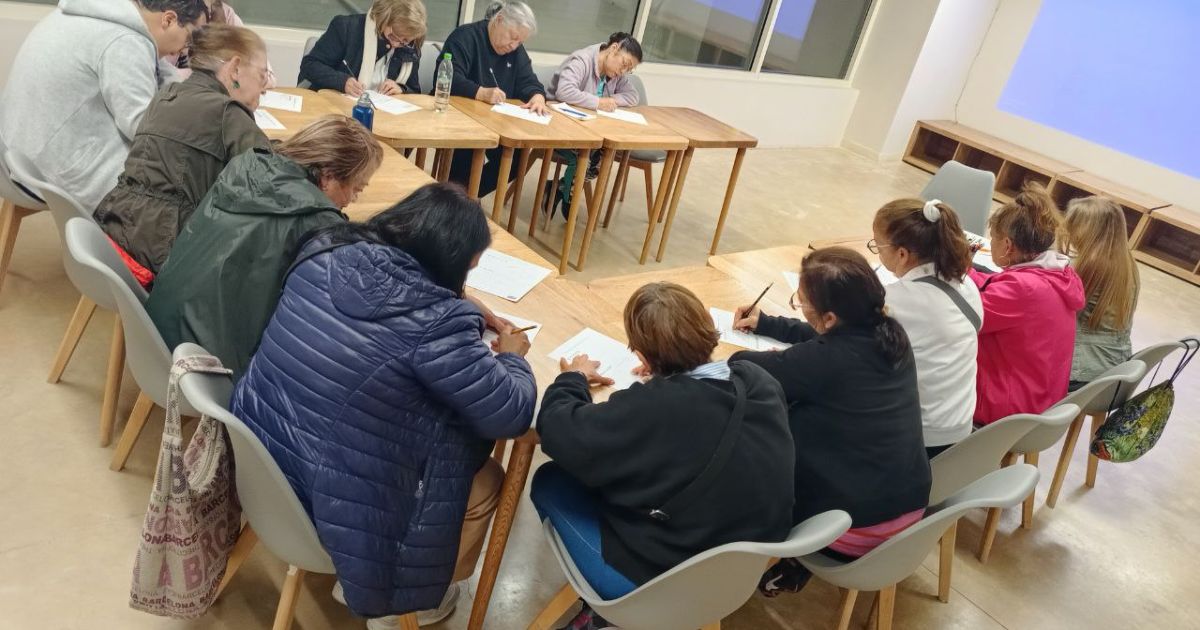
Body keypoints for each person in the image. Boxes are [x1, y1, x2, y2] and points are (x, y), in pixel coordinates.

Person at [231, 183, 537, 628]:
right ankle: (407, 605)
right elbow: (510, 413)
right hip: (333, 506)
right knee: (486, 482)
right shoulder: (436, 325)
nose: (464, 282)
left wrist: (460, 300)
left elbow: (385, 298)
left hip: (261, 458)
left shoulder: (324, 251)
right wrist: (512, 357)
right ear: (446, 263)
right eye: (465, 271)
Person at [532, 282, 794, 626]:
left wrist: (574, 377)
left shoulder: (654, 408)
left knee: (551, 479)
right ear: (707, 330)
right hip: (742, 571)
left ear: (641, 355)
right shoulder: (758, 380)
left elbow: (556, 429)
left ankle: (605, 615)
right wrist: (666, 376)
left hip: (663, 581)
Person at [730, 247, 930, 596]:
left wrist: (751, 352)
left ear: (831, 318)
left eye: (802, 302)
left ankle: (730, 569)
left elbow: (745, 366)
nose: (801, 307)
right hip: (909, 515)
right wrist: (771, 324)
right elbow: (831, 342)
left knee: (746, 452)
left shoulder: (826, 360)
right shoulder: (891, 334)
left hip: (851, 528)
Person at [144, 115, 381, 378]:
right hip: (205, 369)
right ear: (328, 177)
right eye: (357, 189)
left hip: (155, 334)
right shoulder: (316, 222)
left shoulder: (245, 167)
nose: (352, 200)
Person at [93, 24, 273, 285]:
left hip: (116, 234)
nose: (264, 88)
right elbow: (272, 186)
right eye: (262, 75)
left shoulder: (166, 95)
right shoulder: (228, 113)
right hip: (165, 258)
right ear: (235, 68)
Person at [0, 0, 208, 213]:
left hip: (15, 153)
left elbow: (155, 69)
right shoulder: (125, 41)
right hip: (42, 170)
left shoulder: (93, 13)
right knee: (179, 185)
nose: (185, 50)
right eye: (189, 39)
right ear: (169, 20)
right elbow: (143, 127)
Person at [872, 198, 982, 458]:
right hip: (960, 429)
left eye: (878, 246)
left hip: (920, 437)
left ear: (902, 254)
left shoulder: (897, 300)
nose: (878, 253)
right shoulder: (967, 285)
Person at [970, 183, 1085, 425]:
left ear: (1007, 245)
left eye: (993, 238)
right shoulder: (1059, 274)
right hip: (1041, 400)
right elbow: (995, 287)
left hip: (1009, 409)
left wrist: (949, 271)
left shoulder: (1023, 288)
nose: (991, 243)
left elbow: (965, 314)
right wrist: (966, 271)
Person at [441, 1, 547, 197]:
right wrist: (481, 92)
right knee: (469, 150)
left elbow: (529, 81)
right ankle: (456, 198)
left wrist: (537, 96)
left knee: (517, 157)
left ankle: (468, 196)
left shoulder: (515, 51)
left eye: (520, 42)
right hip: (460, 119)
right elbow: (448, 78)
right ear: (499, 20)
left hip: (496, 122)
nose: (514, 45)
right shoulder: (465, 36)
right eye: (512, 37)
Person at [543, 32, 643, 218]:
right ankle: (569, 200)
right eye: (625, 64)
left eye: (629, 69)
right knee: (586, 158)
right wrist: (598, 102)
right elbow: (564, 91)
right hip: (558, 126)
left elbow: (632, 96)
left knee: (604, 157)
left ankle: (559, 188)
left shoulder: (615, 74)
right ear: (614, 48)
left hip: (587, 129)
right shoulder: (582, 60)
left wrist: (610, 100)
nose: (623, 71)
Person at [1058, 196, 1140, 389]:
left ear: (1088, 230)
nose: (1069, 231)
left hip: (1082, 372)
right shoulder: (1127, 262)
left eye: (1074, 226)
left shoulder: (1091, 264)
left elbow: (1058, 310)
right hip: (1114, 366)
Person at [298, 0, 427, 96]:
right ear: (383, 19)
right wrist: (343, 82)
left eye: (405, 41)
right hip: (338, 105)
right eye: (393, 36)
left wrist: (401, 89)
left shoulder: (411, 45)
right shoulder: (346, 28)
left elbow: (414, 91)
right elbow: (310, 65)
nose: (396, 44)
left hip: (384, 114)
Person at [163, 0, 277, 88]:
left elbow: (267, 78)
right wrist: (214, 75)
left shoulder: (227, 15)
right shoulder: (169, 17)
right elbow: (160, 78)